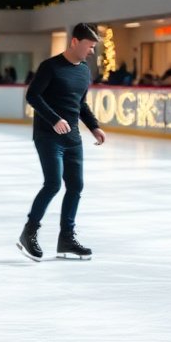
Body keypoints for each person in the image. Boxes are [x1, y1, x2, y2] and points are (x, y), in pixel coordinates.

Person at [17, 23, 105, 262]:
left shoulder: (84, 71)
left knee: (76, 186)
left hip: (72, 138)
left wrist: (94, 126)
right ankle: (29, 232)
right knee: (53, 183)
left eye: (94, 47)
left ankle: (66, 238)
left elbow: (80, 104)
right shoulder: (50, 67)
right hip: (48, 136)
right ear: (75, 42)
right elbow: (33, 95)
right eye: (89, 46)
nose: (92, 51)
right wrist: (54, 119)